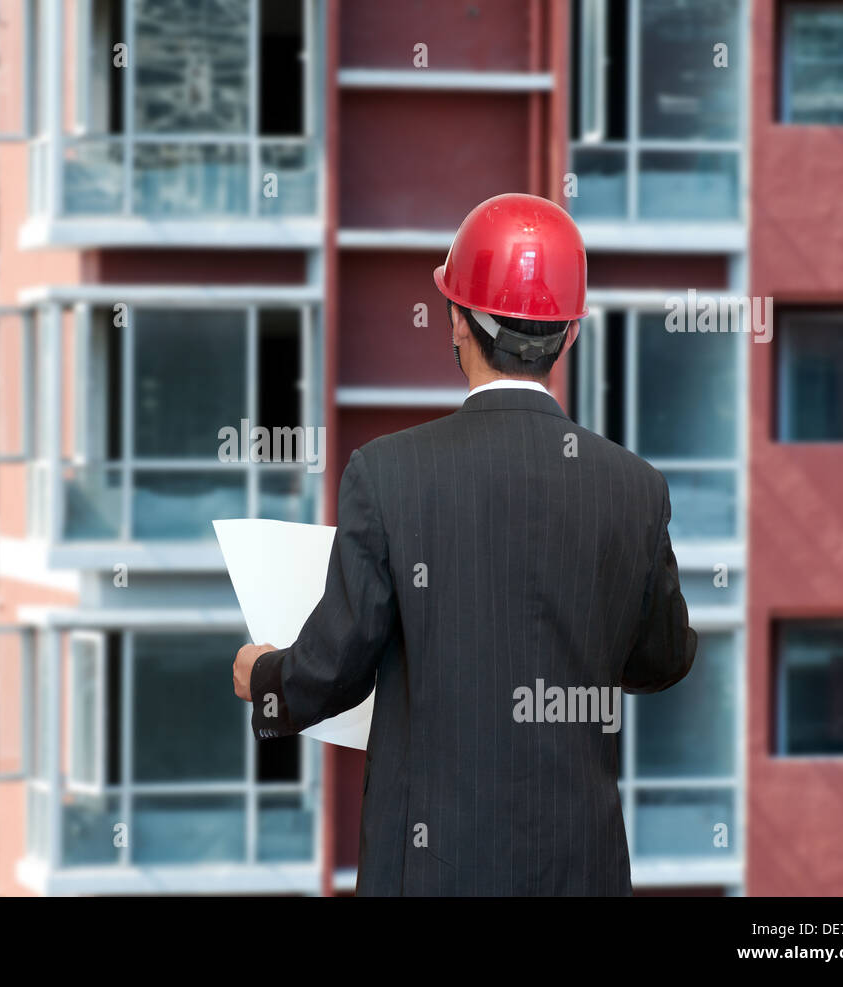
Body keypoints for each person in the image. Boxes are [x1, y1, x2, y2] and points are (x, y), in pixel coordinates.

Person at [231, 192, 697, 896]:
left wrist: (266, 680)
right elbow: (664, 657)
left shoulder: (388, 474)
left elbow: (336, 667)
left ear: (456, 320)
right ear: (570, 333)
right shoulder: (634, 488)